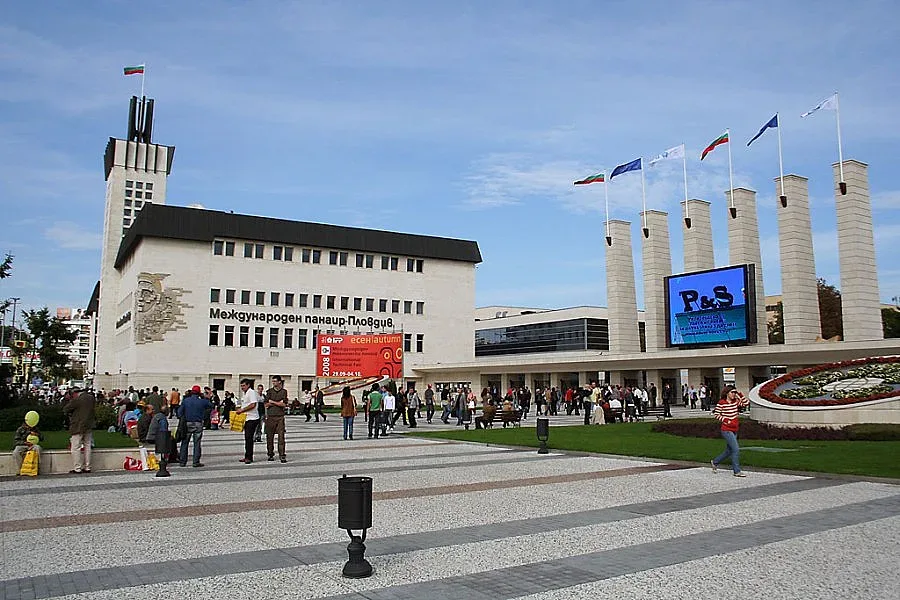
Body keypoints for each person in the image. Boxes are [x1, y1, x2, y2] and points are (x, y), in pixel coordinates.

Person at [711, 386, 751, 477]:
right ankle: (737, 471)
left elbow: (746, 403)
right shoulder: (722, 403)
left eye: (735, 392)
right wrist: (726, 420)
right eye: (732, 392)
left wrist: (740, 394)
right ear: (727, 393)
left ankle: (715, 462)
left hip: (734, 429)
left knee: (729, 451)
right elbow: (716, 414)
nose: (734, 394)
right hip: (726, 429)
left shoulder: (735, 402)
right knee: (736, 449)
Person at [63, 386, 96, 474]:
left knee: (76, 447)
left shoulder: (77, 399)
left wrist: (70, 401)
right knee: (88, 446)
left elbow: (66, 409)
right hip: (89, 425)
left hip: (78, 426)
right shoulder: (91, 398)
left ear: (74, 393)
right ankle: (87, 467)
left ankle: (77, 468)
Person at [177, 385, 211, 467]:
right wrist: (207, 397)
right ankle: (196, 462)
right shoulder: (202, 401)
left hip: (187, 423)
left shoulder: (186, 401)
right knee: (197, 443)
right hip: (198, 423)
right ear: (199, 393)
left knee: (185, 443)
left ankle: (182, 461)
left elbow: (179, 413)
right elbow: (211, 406)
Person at [235, 378, 261, 463]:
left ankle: (249, 457)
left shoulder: (251, 392)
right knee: (247, 438)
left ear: (248, 385)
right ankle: (247, 455)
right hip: (246, 418)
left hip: (252, 418)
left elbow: (253, 405)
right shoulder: (245, 393)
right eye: (241, 386)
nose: (242, 387)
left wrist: (242, 410)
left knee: (249, 438)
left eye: (243, 386)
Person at [265, 376, 288, 463]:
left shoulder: (284, 392)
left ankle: (282, 455)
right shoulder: (269, 391)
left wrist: (273, 402)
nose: (273, 383)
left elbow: (284, 404)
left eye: (275, 381)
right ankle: (270, 454)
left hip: (280, 417)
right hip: (270, 416)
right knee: (269, 437)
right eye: (273, 381)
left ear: (279, 382)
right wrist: (278, 402)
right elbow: (266, 404)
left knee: (281, 437)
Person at [146, 404, 171, 477]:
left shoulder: (157, 416)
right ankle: (168, 461)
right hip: (154, 438)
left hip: (151, 436)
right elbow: (163, 431)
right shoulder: (162, 418)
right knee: (171, 442)